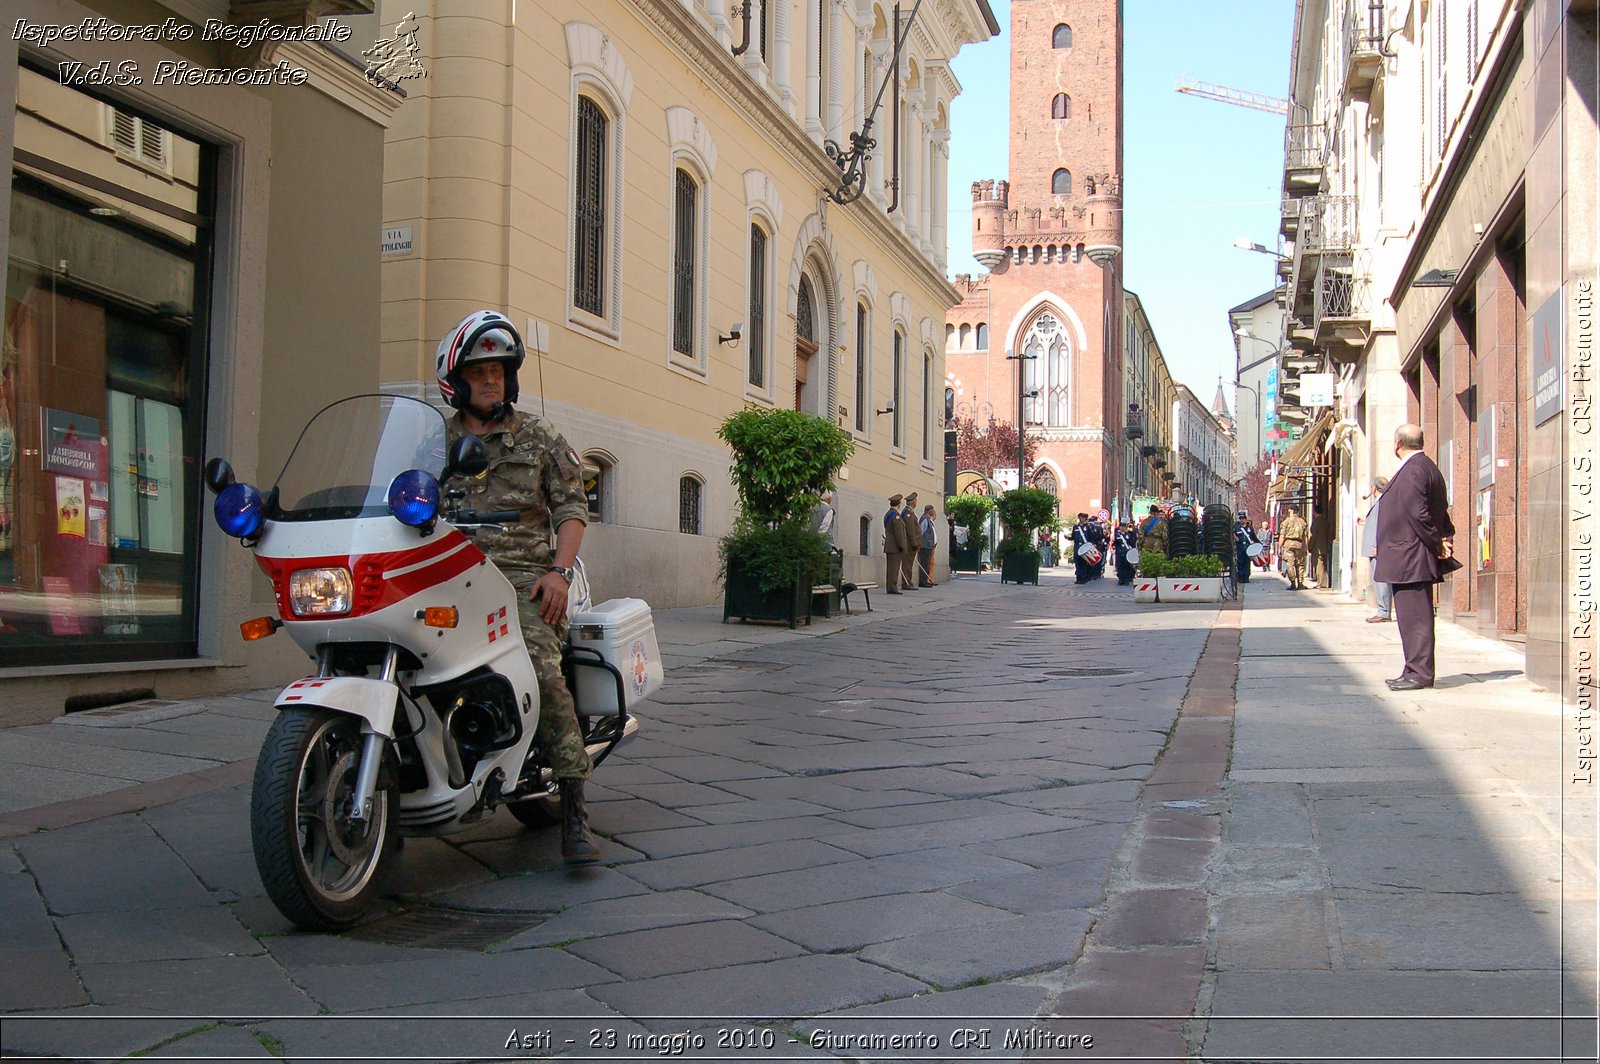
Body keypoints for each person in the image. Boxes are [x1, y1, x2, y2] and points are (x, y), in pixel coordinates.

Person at [436, 309, 600, 864]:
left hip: (523, 581)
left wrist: (559, 571)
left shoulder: (538, 435)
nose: (491, 381)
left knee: (540, 667)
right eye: (480, 372)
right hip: (447, 578)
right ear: (457, 379)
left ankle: (574, 807)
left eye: (499, 372)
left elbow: (573, 507)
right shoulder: (435, 441)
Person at [1374, 424, 1456, 690]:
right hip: (1410, 555)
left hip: (1411, 557)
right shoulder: (1426, 468)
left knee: (1416, 618)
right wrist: (1442, 537)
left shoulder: (1414, 470)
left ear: (1397, 444)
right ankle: (1412, 668)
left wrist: (1437, 543)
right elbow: (1438, 510)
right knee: (1410, 618)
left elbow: (1418, 513)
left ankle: (1419, 673)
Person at [1359, 476, 1392, 622]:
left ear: (1374, 488)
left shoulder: (1383, 503)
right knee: (1379, 579)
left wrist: (1377, 544)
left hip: (1377, 547)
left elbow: (1382, 526)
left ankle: (1383, 612)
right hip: (1376, 546)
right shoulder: (1381, 502)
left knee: (1380, 580)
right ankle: (1383, 610)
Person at [1278, 506, 1309, 589]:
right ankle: (1300, 583)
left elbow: (1282, 536)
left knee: (1290, 564)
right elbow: (1305, 536)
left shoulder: (1286, 522)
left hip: (1288, 544)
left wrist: (1279, 547)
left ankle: (1293, 583)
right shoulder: (1302, 522)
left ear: (1290, 511)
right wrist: (1306, 547)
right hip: (1299, 544)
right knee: (1300, 564)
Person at [883, 493, 908, 593]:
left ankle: (891, 586)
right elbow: (898, 533)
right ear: (899, 504)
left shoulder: (888, 514)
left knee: (891, 568)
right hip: (895, 546)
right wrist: (902, 546)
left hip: (890, 545)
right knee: (894, 568)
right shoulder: (896, 516)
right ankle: (892, 587)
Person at [899, 493, 921, 591]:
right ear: (913, 502)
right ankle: (906, 582)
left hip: (910, 543)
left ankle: (909, 581)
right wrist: (914, 543)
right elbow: (910, 530)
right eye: (915, 501)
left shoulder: (910, 512)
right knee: (907, 564)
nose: (916, 502)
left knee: (909, 564)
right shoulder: (908, 513)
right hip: (909, 543)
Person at [1234, 510, 1259, 584]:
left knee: (1247, 563)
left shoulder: (1249, 528)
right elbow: (1233, 535)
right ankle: (1241, 577)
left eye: (1243, 518)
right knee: (1240, 562)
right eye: (1240, 518)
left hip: (1248, 547)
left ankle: (1246, 577)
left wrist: (1259, 544)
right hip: (1240, 547)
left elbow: (1253, 537)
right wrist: (1235, 537)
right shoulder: (1237, 527)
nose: (1242, 520)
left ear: (1246, 519)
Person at [1070, 513, 1096, 584]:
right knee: (1077, 563)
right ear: (1079, 518)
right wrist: (1068, 538)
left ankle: (1084, 578)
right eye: (1081, 517)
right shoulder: (1075, 527)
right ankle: (1078, 578)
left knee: (1084, 563)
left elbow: (1091, 536)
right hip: (1077, 547)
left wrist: (1093, 544)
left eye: (1084, 518)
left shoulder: (1088, 527)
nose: (1083, 519)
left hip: (1085, 547)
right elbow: (1073, 536)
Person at [917, 504, 939, 587]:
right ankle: (923, 582)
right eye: (932, 510)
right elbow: (921, 531)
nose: (933, 512)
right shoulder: (925, 519)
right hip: (925, 545)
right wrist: (919, 543)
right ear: (929, 510)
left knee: (927, 564)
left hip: (928, 545)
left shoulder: (928, 519)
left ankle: (926, 580)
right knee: (924, 563)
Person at [1113, 520, 1138, 585]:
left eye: (1124, 526)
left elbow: (1132, 543)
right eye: (1121, 526)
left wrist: (1132, 533)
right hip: (1119, 552)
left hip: (1127, 552)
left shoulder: (1129, 534)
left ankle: (1126, 579)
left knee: (1127, 566)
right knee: (1120, 566)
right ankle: (1121, 579)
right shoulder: (1117, 535)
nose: (1122, 528)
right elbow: (1115, 543)